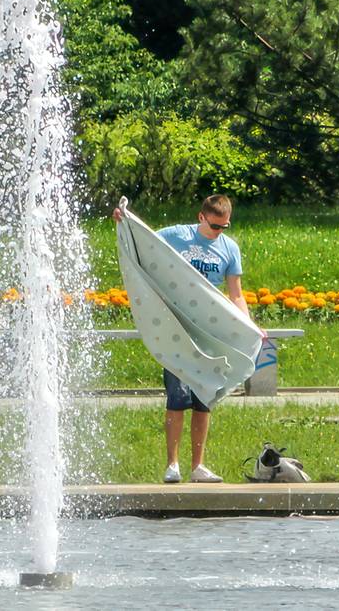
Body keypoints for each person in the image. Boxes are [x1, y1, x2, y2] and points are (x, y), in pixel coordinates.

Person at [113, 195, 257, 483]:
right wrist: (124, 221)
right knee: (177, 396)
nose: (219, 232)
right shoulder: (177, 235)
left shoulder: (230, 249)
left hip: (210, 329)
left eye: (225, 227)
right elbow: (146, 242)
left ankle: (198, 466)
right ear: (201, 217)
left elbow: (236, 293)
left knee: (205, 398)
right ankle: (173, 465)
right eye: (215, 226)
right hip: (177, 328)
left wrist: (250, 325)